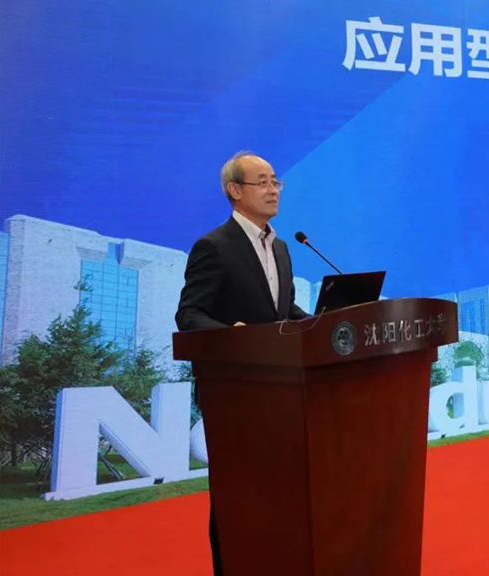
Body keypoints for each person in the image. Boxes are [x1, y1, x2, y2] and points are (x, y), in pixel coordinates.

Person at [175, 151, 310, 575]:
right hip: (233, 392)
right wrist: (229, 333)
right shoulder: (214, 246)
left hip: (282, 389)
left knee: (280, 492)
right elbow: (189, 314)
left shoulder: (282, 248)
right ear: (235, 191)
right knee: (237, 497)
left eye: (276, 182)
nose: (273, 190)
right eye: (262, 182)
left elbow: (283, 311)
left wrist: (322, 323)